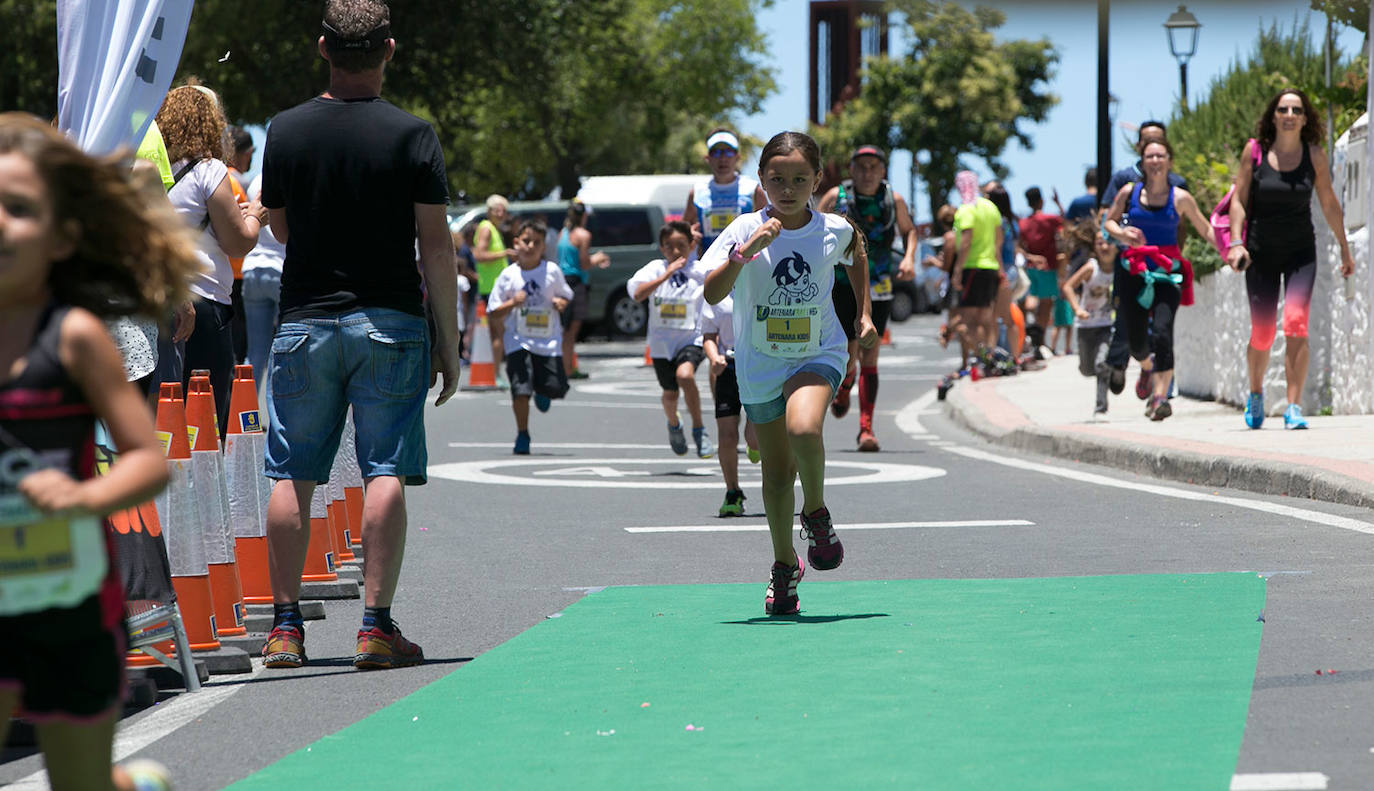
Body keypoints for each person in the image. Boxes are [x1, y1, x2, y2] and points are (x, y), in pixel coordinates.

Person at [0, 112, 200, 791]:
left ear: (63, 236)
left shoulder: (77, 336)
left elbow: (147, 460)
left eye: (19, 209)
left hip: (71, 602)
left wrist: (84, 496)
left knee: (78, 783)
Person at [258, 0, 460, 670]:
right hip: (391, 321)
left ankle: (285, 627)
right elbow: (436, 246)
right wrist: (451, 344)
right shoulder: (414, 134)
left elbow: (280, 230)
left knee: (293, 470)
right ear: (389, 50)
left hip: (305, 321)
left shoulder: (284, 132)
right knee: (386, 466)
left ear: (323, 49)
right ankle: (374, 625)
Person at [703, 131, 877, 615]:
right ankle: (784, 568)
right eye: (777, 179)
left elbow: (857, 251)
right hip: (760, 363)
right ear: (761, 181)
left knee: (805, 426)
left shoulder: (833, 229)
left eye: (800, 179)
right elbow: (713, 294)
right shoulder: (741, 229)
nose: (787, 188)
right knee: (777, 476)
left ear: (818, 180)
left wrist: (863, 314)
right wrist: (747, 251)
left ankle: (816, 512)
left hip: (818, 351)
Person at [1226, 88, 1357, 430]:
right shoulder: (1254, 152)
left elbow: (1329, 203)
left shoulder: (1314, 155)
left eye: (1296, 109)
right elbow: (1237, 201)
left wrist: (1344, 246)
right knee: (1263, 332)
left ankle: (1293, 407)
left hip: (1301, 253)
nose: (1289, 114)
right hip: (1259, 254)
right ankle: (1256, 394)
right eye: (1283, 108)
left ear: (1304, 118)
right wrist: (1236, 242)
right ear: (1273, 115)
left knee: (1296, 322)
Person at [156, 84, 266, 436]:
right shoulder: (208, 170)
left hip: (160, 301)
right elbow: (238, 242)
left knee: (164, 421)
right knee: (204, 423)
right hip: (204, 306)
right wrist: (256, 217)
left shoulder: (150, 168)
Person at [1103, 139, 1216, 421]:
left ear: (1169, 161)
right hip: (1135, 273)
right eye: (1150, 156)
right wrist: (1122, 234)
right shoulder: (1129, 193)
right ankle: (1147, 366)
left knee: (1164, 334)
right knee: (1137, 342)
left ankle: (1159, 398)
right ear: (1143, 161)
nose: (1155, 161)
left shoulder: (1180, 198)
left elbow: (1205, 229)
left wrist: (1232, 249)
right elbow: (1108, 222)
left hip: (1167, 274)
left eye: (1160, 156)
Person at [815, 145, 918, 452]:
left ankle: (866, 429)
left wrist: (909, 258)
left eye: (873, 166)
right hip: (842, 284)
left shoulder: (893, 199)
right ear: (852, 170)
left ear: (882, 170)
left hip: (880, 285)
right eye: (861, 167)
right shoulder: (836, 197)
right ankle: (846, 383)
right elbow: (813, 228)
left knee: (869, 352)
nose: (867, 172)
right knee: (849, 353)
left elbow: (909, 231)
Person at [1102, 121, 1188, 400]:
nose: (1154, 157)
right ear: (1140, 148)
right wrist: (1118, 238)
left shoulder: (1177, 185)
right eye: (1147, 144)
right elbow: (1108, 216)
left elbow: (1184, 224)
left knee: (1162, 329)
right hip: (1130, 264)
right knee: (1128, 322)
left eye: (1159, 143)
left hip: (1164, 268)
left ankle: (1161, 388)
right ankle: (1124, 361)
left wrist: (1176, 256)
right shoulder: (1125, 182)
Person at [630, 221, 715, 458]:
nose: (675, 252)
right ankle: (674, 424)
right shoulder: (654, 269)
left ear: (691, 245)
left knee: (685, 375)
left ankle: (699, 429)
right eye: (669, 246)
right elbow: (637, 294)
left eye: (681, 245)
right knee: (670, 394)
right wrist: (666, 274)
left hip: (691, 337)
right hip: (661, 344)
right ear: (661, 248)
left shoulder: (700, 271)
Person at [488, 218, 573, 454]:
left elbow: (567, 296)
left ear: (544, 246)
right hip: (518, 340)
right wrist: (511, 303)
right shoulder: (508, 275)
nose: (531, 246)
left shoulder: (552, 272)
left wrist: (560, 302)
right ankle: (522, 433)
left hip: (548, 341)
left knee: (555, 387)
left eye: (537, 242)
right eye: (526, 241)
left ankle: (544, 391)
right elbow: (493, 311)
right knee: (520, 388)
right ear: (516, 242)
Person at [701, 290, 758, 515]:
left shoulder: (761, 284)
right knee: (726, 436)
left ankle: (759, 447)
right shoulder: (718, 293)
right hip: (728, 368)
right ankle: (732, 492)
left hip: (758, 367)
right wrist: (714, 358)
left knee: (753, 438)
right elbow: (708, 336)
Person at [681, 128, 768, 257]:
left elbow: (769, 226)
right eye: (716, 152)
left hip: (744, 265)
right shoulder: (697, 192)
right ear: (708, 158)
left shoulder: (752, 189)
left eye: (728, 152)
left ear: (737, 157)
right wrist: (689, 235)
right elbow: (683, 231)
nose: (722, 158)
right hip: (707, 265)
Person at [1060, 233, 1118, 417]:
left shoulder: (1120, 268)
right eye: (1100, 243)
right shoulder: (1091, 268)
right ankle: (1110, 372)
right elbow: (1068, 286)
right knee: (1087, 369)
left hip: (1107, 325)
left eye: (1108, 242)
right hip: (1086, 326)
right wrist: (1077, 309)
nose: (1104, 247)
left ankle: (1101, 408)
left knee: (1101, 364)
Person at [949, 171, 1003, 366]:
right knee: (986, 318)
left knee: (966, 322)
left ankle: (984, 357)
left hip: (972, 267)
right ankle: (989, 353)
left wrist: (957, 270)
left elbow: (966, 241)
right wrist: (1000, 268)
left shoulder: (965, 209)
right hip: (990, 267)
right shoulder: (990, 207)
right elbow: (998, 240)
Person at [241, 172, 284, 391]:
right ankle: (278, 418)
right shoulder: (287, 176)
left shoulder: (256, 180)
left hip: (252, 267)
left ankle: (246, 414)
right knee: (284, 349)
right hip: (280, 269)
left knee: (255, 352)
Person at [556, 200, 609, 379]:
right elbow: (584, 263)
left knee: (564, 328)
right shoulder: (583, 235)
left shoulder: (562, 233)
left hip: (562, 281)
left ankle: (565, 366)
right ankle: (567, 368)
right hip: (576, 283)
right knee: (572, 329)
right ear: (583, 216)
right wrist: (598, 258)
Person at [983, 183, 1027, 361]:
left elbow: (996, 249)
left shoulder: (997, 222)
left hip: (1001, 269)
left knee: (996, 317)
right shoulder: (1012, 222)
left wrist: (999, 273)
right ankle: (1014, 356)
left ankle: (994, 355)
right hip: (1011, 269)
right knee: (1005, 317)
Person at [1019, 186, 1063, 354]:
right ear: (1041, 201)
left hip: (1031, 267)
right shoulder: (1049, 219)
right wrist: (1058, 204)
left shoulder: (1023, 223)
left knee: (1032, 299)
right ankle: (1040, 340)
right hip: (1048, 266)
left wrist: (1031, 257)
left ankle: (1030, 331)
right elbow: (1065, 222)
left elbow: (1020, 247)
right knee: (1046, 304)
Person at [473, 194, 511, 377]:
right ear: (489, 211)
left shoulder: (493, 228)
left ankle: (496, 372)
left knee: (499, 332)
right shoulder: (487, 228)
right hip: (491, 288)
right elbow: (479, 255)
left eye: (503, 210)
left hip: (496, 288)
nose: (501, 213)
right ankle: (496, 374)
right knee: (498, 332)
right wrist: (505, 253)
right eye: (497, 209)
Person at [227, 125, 255, 365]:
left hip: (228, 271)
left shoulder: (221, 177)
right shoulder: (237, 182)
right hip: (237, 271)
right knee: (239, 340)